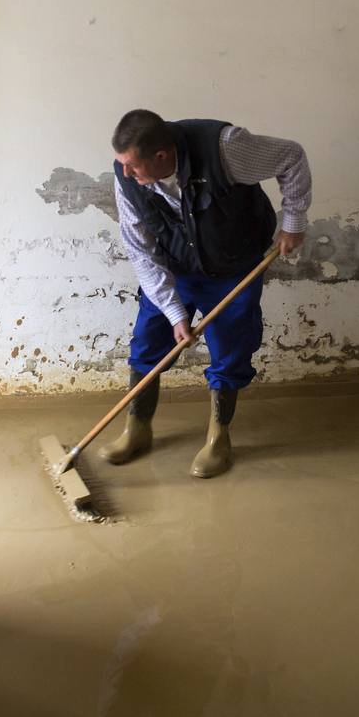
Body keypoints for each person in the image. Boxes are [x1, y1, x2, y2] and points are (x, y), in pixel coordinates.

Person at [105, 109, 311, 478]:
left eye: (133, 166)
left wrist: (293, 222)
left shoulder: (226, 149)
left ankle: (219, 437)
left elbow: (291, 156)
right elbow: (141, 250)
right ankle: (137, 427)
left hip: (233, 267)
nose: (125, 174)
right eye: (122, 165)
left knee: (230, 349)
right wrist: (174, 313)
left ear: (162, 157)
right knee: (148, 341)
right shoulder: (127, 179)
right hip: (175, 268)